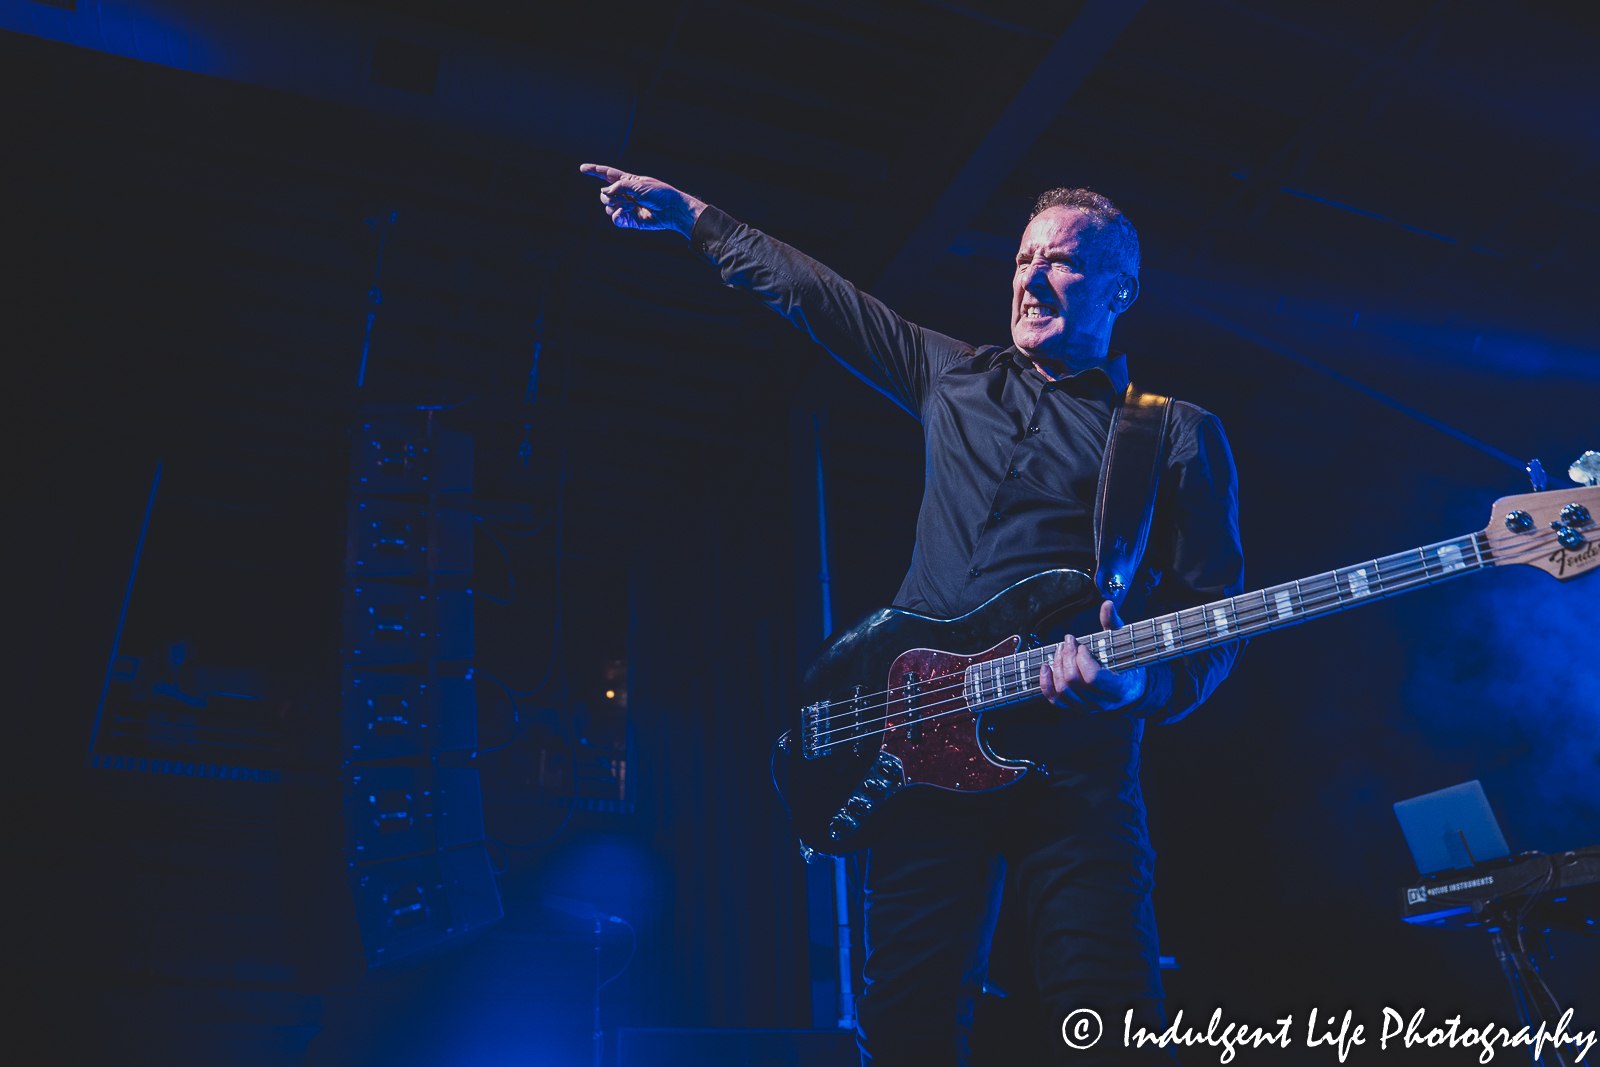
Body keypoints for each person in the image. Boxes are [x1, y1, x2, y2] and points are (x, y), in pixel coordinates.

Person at [580, 163, 1245, 1065]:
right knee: (905, 1029)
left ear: (1121, 289)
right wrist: (693, 218)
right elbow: (822, 299)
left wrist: (1135, 684)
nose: (1032, 277)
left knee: (1113, 1016)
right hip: (922, 749)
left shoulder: (1171, 432)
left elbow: (1216, 618)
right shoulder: (953, 375)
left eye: (1064, 263)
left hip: (1077, 773)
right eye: (1023, 258)